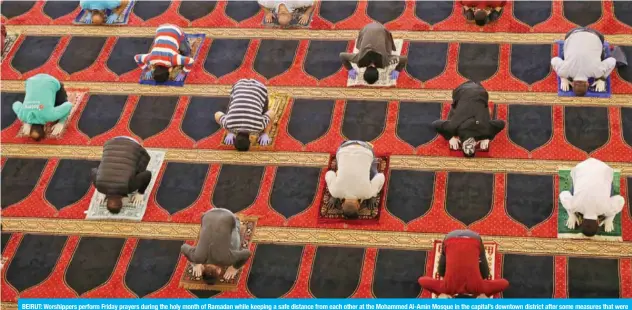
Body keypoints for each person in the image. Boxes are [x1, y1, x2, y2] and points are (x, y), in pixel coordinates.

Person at [418, 230, 509, 298]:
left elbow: (504, 283)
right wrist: (441, 294)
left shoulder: (479, 289)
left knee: (485, 273)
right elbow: (422, 281)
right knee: (441, 271)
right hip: (450, 237)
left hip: (474, 238)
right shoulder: (447, 289)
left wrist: (483, 295)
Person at [432, 81, 505, 157]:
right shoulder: (453, 128)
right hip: (463, 91)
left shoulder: (485, 130)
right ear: (476, 144)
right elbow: (435, 124)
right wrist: (450, 137)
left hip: (479, 92)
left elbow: (501, 123)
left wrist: (487, 136)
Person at [181, 208, 252, 284]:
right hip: (207, 215)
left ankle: (236, 221)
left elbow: (247, 253)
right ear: (203, 269)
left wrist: (234, 267)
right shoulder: (197, 257)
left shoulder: (227, 260)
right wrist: (195, 263)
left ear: (219, 271)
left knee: (235, 247)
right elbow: (183, 247)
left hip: (230, 216)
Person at [559, 158, 625, 237]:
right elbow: (563, 194)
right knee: (576, 193)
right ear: (581, 221)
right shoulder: (575, 206)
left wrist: (609, 218)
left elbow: (620, 200)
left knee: (608, 195)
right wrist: (571, 213)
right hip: (581, 168)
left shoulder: (606, 209)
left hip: (604, 169)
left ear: (598, 222)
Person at [551, 27, 623, 96]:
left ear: (588, 83)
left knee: (601, 57)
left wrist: (602, 79)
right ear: (572, 84)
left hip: (596, 34)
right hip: (572, 33)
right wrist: (563, 77)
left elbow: (612, 60)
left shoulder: (597, 72)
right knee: (565, 55)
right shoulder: (564, 71)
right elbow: (554, 60)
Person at [91, 136, 152, 214]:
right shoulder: (99, 185)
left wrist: (140, 193)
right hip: (111, 142)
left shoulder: (129, 187)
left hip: (134, 144)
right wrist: (101, 190)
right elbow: (94, 170)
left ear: (122, 202)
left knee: (139, 170)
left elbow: (147, 174)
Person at [325, 140, 385, 219]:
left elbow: (381, 176)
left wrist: (373, 194)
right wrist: (334, 194)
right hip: (343, 148)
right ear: (342, 205)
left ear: (358, 206)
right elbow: (329, 173)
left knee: (372, 173)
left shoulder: (367, 193)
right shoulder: (335, 192)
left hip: (366, 149)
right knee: (340, 170)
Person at [339, 22, 408, 85]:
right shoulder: (359, 60)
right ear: (365, 70)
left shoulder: (385, 62)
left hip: (382, 30)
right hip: (366, 28)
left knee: (387, 51)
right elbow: (342, 55)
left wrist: (397, 70)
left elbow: (404, 59)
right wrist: (350, 69)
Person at [214, 79, 273, 152]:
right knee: (229, 111)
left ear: (250, 139)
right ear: (235, 137)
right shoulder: (229, 124)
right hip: (239, 85)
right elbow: (217, 114)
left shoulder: (258, 126)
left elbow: (271, 113)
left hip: (261, 88)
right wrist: (229, 131)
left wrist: (265, 133)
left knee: (264, 114)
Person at [12, 74, 74, 141]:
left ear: (45, 128)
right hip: (31, 81)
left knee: (61, 103)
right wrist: (26, 121)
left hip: (52, 81)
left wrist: (61, 123)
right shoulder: (23, 115)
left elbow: (69, 105)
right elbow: (16, 104)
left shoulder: (50, 116)